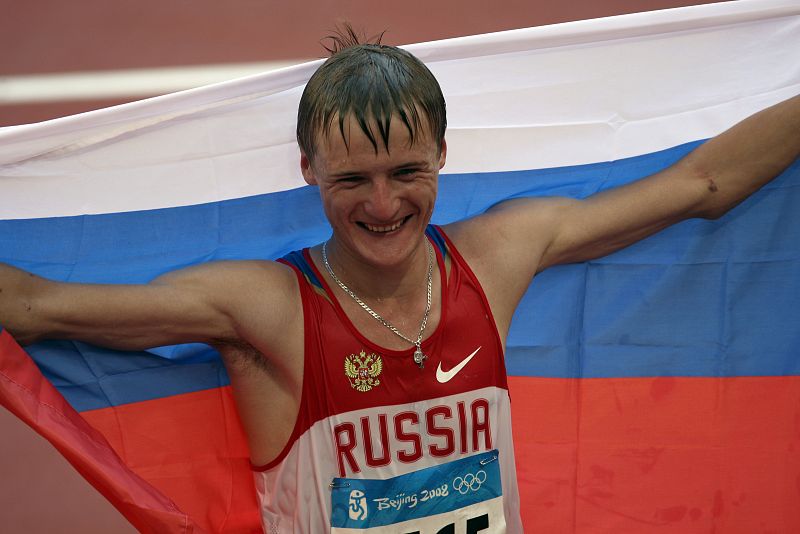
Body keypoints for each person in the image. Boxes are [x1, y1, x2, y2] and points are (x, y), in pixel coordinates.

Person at [1, 30, 799, 533]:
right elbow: (33, 309)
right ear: (307, 169)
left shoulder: (497, 256)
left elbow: (704, 186)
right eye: (352, 179)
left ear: (443, 155)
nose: (383, 206)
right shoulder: (265, 307)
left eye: (407, 172)